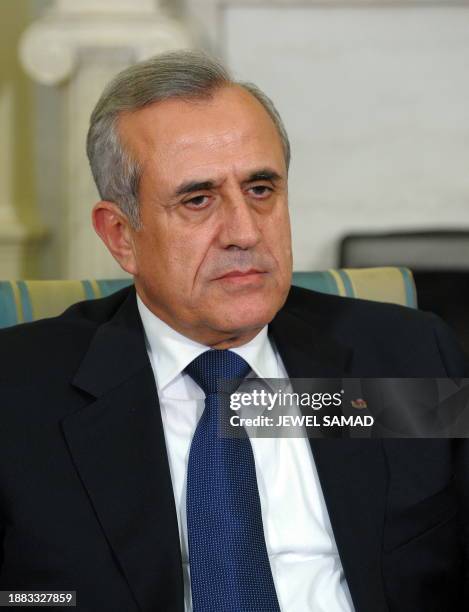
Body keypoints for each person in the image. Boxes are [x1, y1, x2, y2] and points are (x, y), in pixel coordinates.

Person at [0, 50, 467, 612]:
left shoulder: (404, 357)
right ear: (121, 234)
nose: (244, 231)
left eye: (261, 189)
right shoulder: (20, 393)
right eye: (198, 200)